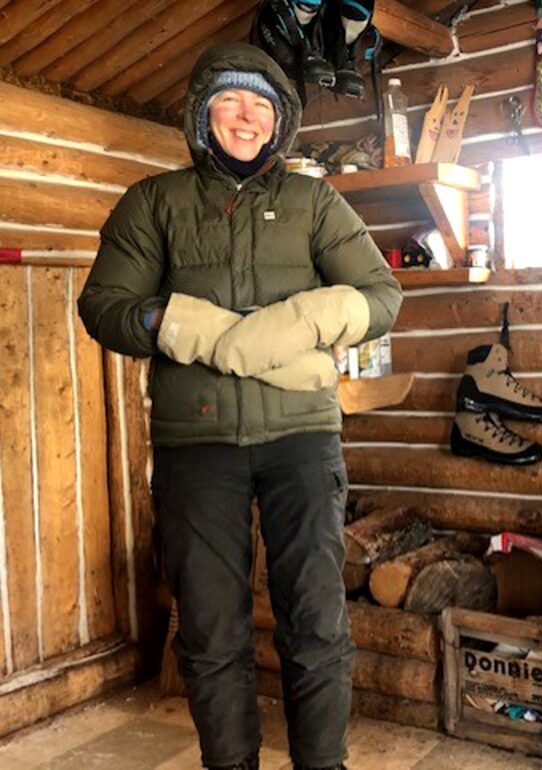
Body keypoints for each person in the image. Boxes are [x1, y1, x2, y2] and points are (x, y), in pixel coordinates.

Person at [78, 41, 401, 770]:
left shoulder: (314, 203)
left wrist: (300, 325)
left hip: (301, 441)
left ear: (280, 119)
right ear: (202, 114)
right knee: (212, 631)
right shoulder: (154, 204)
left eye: (261, 102)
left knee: (315, 621)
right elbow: (104, 305)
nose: (246, 115)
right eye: (230, 100)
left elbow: (382, 296)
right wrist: (177, 325)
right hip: (198, 445)